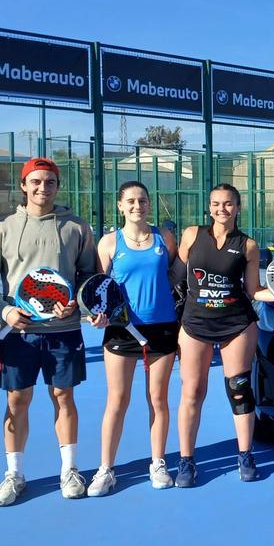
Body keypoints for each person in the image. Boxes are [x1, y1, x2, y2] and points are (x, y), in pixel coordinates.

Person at [0, 157, 100, 505]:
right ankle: (14, 475)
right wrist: (4, 310)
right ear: (23, 185)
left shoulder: (76, 227)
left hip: (63, 330)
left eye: (49, 182)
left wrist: (76, 303)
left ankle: (69, 470)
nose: (42, 188)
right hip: (18, 333)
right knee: (17, 400)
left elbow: (88, 278)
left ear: (57, 186)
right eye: (35, 182)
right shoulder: (1, 229)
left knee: (63, 397)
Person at [175, 184, 274, 487]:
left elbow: (254, 291)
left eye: (228, 204)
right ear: (209, 207)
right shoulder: (191, 235)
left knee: (238, 390)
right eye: (216, 204)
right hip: (195, 325)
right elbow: (175, 274)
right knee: (192, 392)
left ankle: (246, 455)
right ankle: (186, 461)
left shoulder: (247, 245)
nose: (221, 209)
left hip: (236, 324)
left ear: (238, 208)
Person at [86, 181, 181, 496]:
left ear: (149, 204)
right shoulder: (109, 243)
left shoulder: (164, 239)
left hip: (162, 329)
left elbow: (174, 276)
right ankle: (105, 469)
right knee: (117, 401)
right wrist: (97, 315)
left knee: (158, 400)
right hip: (122, 331)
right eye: (130, 201)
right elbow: (98, 289)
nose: (137, 205)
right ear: (120, 206)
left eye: (142, 200)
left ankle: (158, 463)